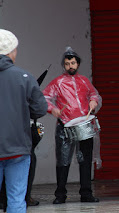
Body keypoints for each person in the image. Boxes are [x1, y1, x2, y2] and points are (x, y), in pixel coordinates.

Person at [43, 47, 102, 204]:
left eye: (73, 63)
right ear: (64, 65)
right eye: (68, 63)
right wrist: (52, 109)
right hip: (65, 125)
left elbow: (94, 94)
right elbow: (44, 98)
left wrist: (93, 101)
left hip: (83, 124)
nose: (71, 66)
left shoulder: (84, 81)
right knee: (63, 161)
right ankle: (60, 195)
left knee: (85, 160)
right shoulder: (58, 82)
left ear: (78, 64)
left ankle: (86, 194)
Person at [0, 29, 47, 213]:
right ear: (11, 51)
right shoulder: (24, 77)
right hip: (18, 149)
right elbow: (40, 109)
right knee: (17, 200)